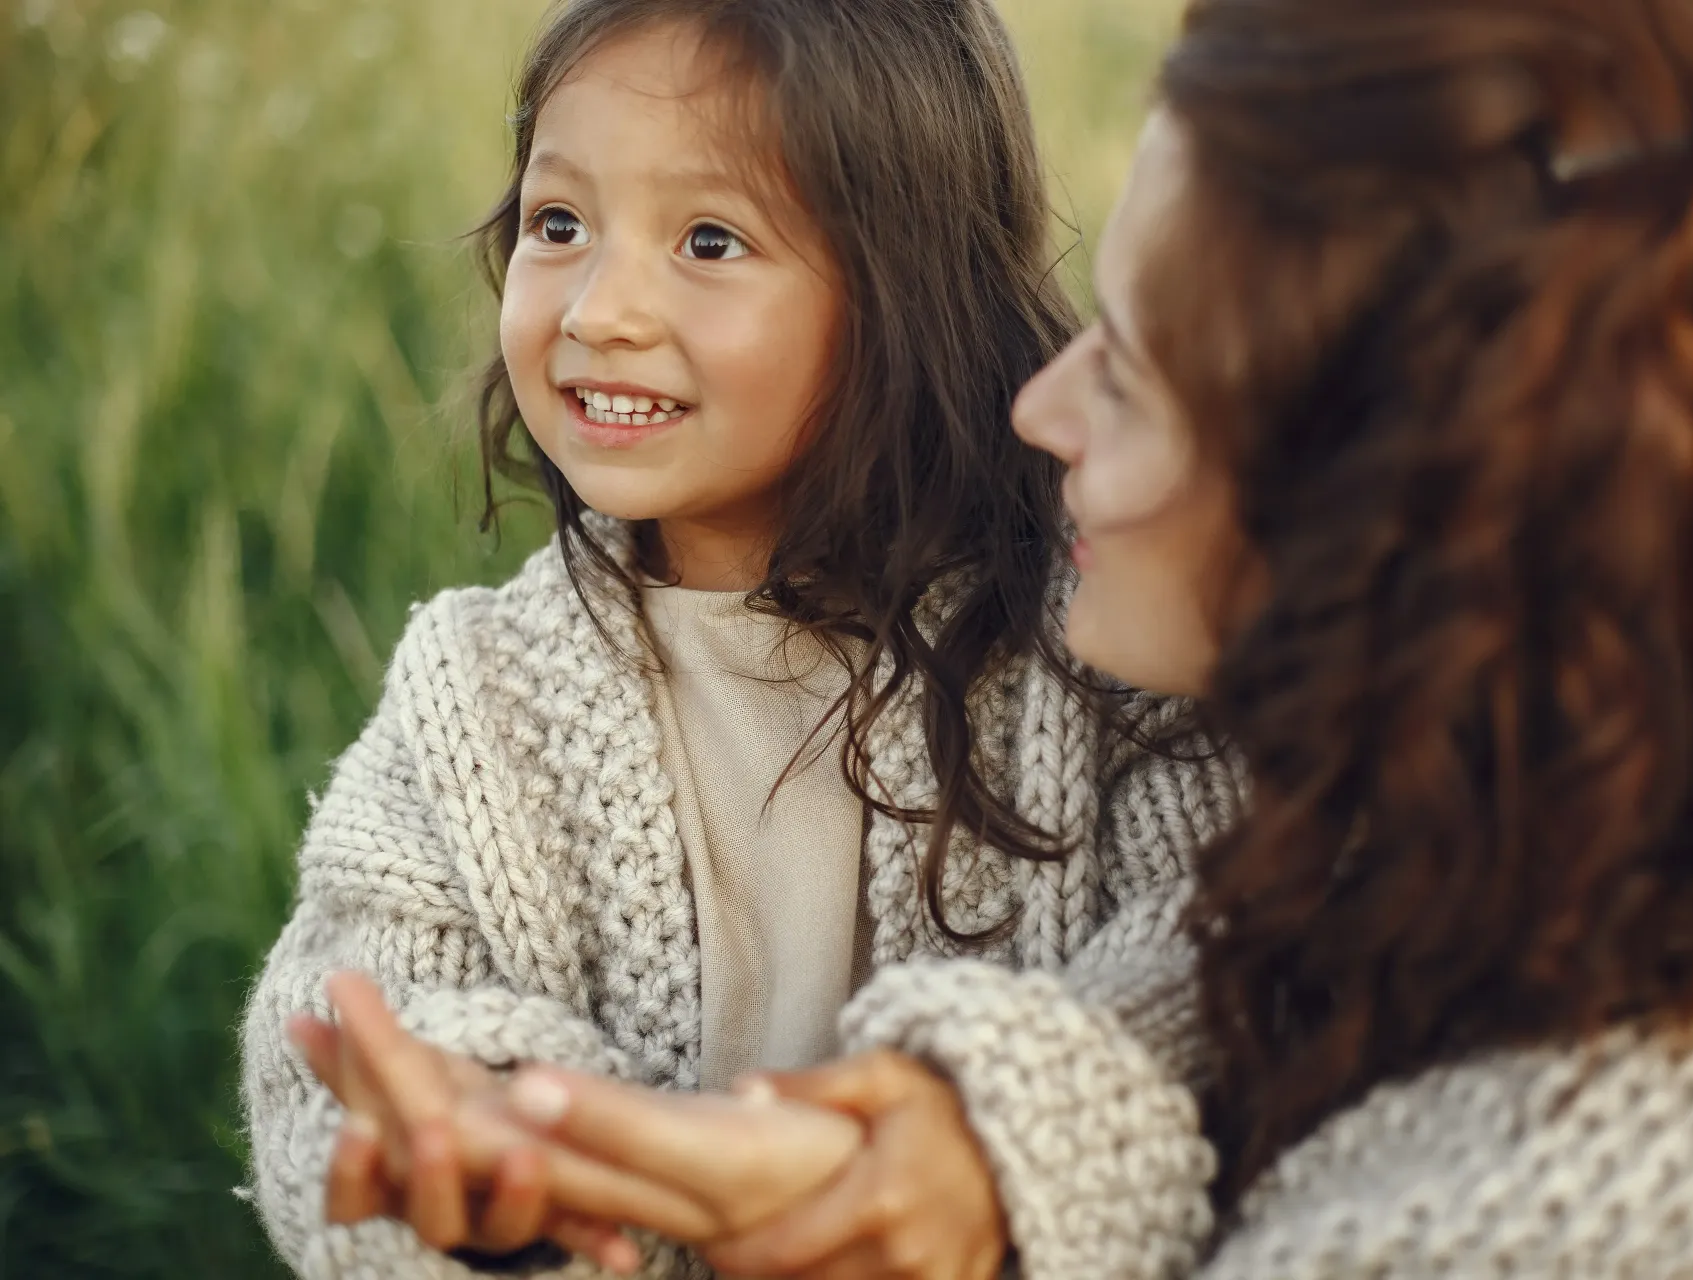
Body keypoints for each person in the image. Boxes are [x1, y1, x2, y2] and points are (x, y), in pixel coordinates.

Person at [389, 0, 1693, 1276]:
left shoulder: (1587, 1181)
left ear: (1364, 487)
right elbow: (1239, 961)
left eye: (1128, 372)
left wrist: (972, 1153)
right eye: (559, 223)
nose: (1041, 405)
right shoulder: (1473, 814)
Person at [239, 0, 1240, 1275]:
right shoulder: (473, 701)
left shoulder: (1092, 643)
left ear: (906, 282)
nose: (600, 309)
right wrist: (501, 1137)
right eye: (559, 224)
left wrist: (990, 1130)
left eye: (709, 239)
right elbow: (341, 1025)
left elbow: (1212, 961)